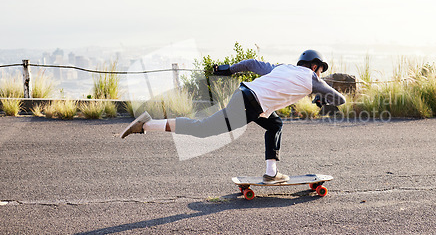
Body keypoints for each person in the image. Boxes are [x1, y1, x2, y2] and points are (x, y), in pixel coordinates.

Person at [120, 50, 346, 184]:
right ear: (315, 66)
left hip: (245, 94)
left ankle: (271, 173)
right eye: (320, 69)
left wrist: (228, 69)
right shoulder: (314, 80)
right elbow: (340, 100)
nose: (319, 74)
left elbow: (251, 64)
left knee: (275, 124)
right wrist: (323, 99)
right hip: (250, 105)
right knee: (202, 129)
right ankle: (146, 125)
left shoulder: (282, 68)